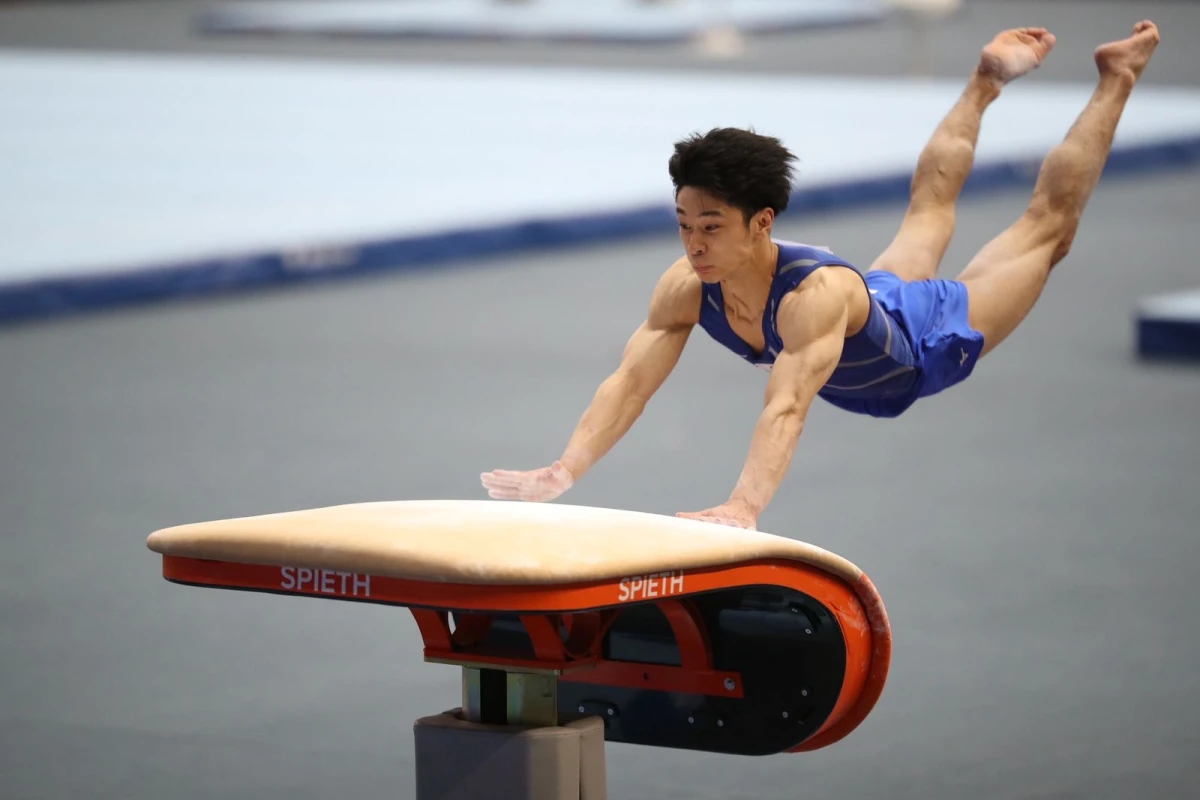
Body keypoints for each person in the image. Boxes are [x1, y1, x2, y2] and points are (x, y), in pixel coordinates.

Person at [481, 21, 1161, 530]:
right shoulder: (687, 289)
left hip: (924, 344)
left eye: (712, 226)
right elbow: (631, 381)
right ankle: (984, 82)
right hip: (874, 307)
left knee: (1047, 230)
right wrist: (564, 468)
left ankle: (1118, 75)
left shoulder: (815, 298)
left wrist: (744, 506)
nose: (693, 244)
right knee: (928, 212)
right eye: (684, 224)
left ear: (762, 221)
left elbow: (787, 406)